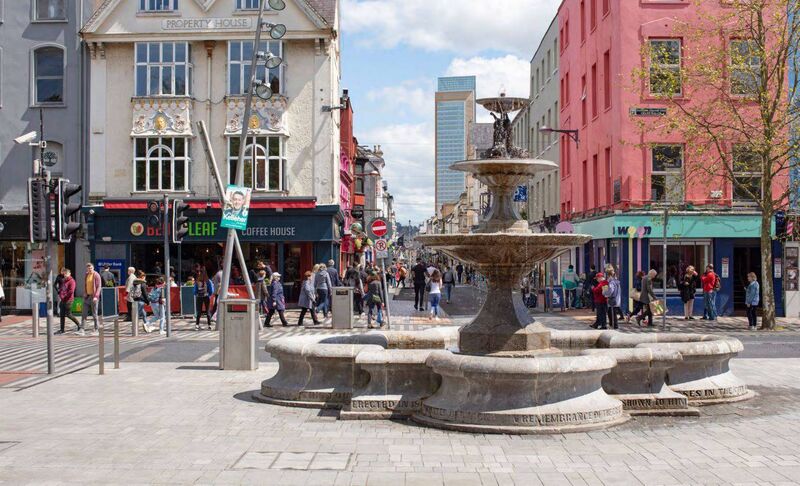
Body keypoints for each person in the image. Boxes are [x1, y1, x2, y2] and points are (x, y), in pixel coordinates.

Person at [80, 263, 103, 335]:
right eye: (88, 268)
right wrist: (85, 293)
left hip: (94, 297)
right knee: (84, 313)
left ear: (93, 268)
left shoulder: (96, 275)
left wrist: (96, 296)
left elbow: (99, 286)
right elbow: (85, 284)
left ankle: (96, 329)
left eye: (91, 268)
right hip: (87, 296)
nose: (90, 270)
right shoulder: (86, 274)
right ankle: (82, 329)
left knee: (94, 313)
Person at [55, 269, 80, 334]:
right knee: (62, 314)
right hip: (63, 300)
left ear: (70, 274)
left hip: (69, 300)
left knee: (68, 314)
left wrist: (64, 296)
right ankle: (62, 329)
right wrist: (60, 294)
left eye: (66, 274)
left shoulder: (72, 281)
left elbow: (71, 291)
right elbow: (61, 288)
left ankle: (79, 325)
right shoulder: (64, 281)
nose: (65, 275)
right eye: (64, 274)